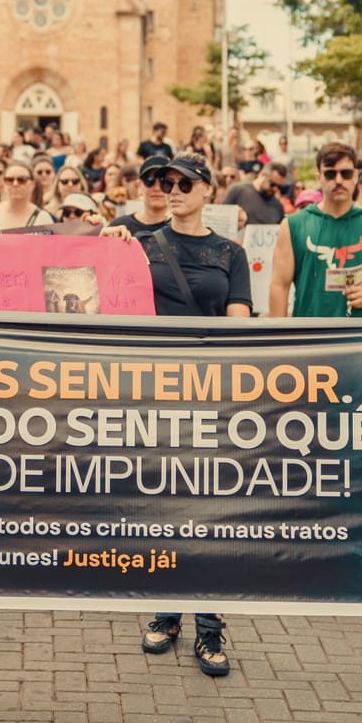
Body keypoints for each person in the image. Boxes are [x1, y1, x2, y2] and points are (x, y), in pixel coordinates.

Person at [125, 152, 249, 676]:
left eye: (184, 183)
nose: (172, 190)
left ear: (207, 191)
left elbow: (240, 324)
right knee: (164, 503)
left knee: (211, 510)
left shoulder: (230, 253)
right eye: (165, 182)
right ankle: (168, 609)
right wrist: (109, 247)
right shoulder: (139, 245)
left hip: (211, 395)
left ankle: (209, 624)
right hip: (155, 392)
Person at [268, 142, 362, 317]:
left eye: (346, 173)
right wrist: (279, 332)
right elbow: (279, 286)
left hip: (360, 331)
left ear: (356, 176)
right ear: (319, 177)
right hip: (307, 330)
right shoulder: (293, 225)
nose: (338, 180)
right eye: (330, 174)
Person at [105, 157, 171, 239]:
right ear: (139, 185)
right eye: (149, 180)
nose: (157, 188)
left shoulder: (181, 229)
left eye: (164, 182)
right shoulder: (119, 227)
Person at [221, 162, 286, 227]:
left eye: (279, 186)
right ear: (262, 175)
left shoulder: (277, 205)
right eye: (272, 184)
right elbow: (222, 218)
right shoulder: (237, 190)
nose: (275, 189)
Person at [0, 160, 55, 230]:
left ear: (32, 184)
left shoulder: (43, 218)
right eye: (10, 180)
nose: (15, 184)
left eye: (22, 180)